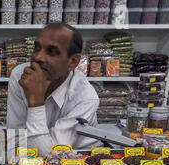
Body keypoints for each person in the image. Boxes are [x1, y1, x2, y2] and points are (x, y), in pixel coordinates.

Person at [7, 22, 101, 158]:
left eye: (52, 52)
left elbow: (49, 156)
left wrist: (35, 102)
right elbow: (16, 139)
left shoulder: (85, 98)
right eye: (37, 48)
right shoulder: (20, 76)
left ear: (73, 62)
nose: (38, 57)